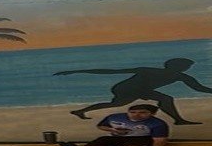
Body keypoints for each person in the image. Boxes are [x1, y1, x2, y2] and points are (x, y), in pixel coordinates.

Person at [56, 57, 212, 125]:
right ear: (174, 66)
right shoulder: (147, 70)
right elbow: (111, 71)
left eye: (187, 67)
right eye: (185, 66)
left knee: (165, 99)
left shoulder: (182, 77)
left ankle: (80, 111)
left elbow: (199, 88)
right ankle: (179, 120)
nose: (186, 68)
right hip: (125, 88)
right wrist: (76, 70)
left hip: (142, 90)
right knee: (117, 104)